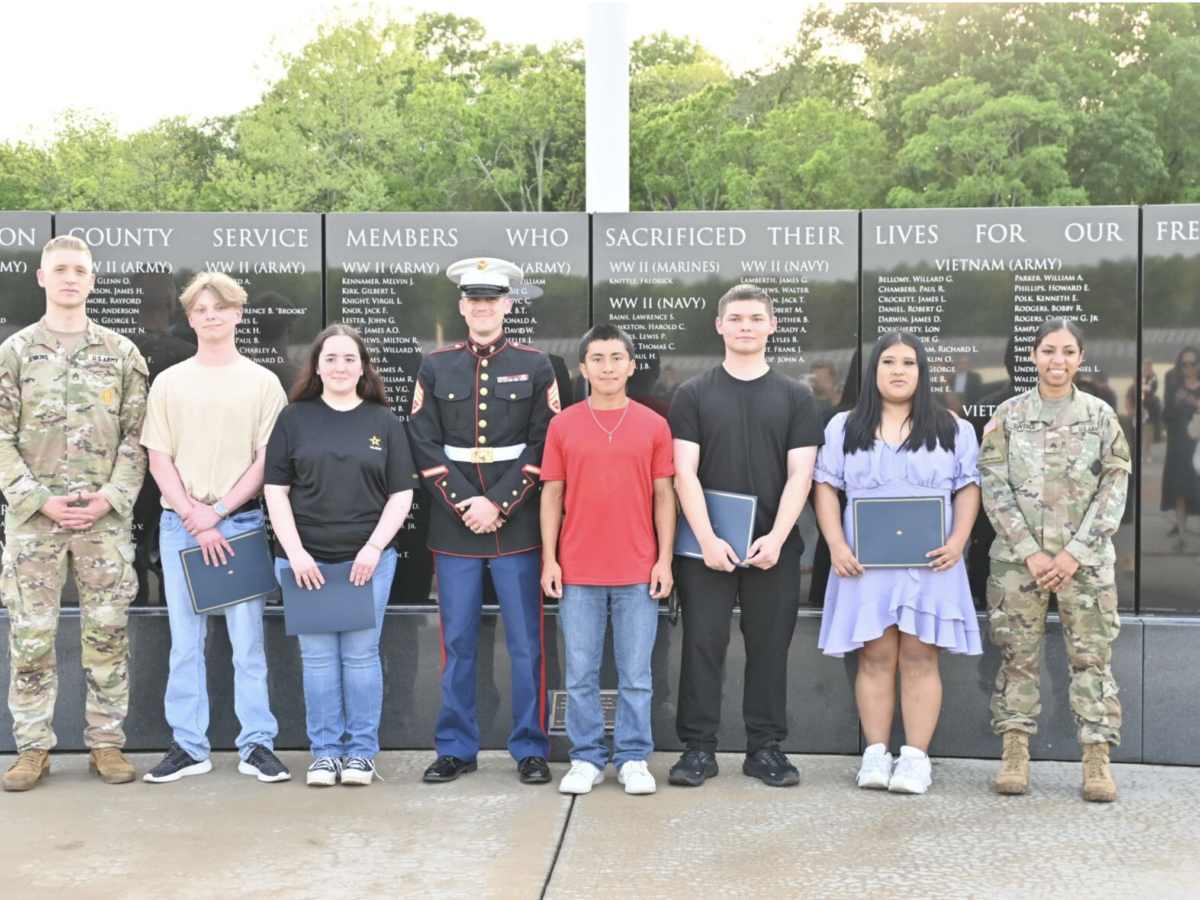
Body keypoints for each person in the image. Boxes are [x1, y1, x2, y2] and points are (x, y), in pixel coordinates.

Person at [0, 236, 148, 791]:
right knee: (31, 636)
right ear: (42, 277)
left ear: (92, 279)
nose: (69, 278)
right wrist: (39, 499)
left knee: (108, 634)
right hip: (34, 523)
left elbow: (140, 436)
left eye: (79, 270)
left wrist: (112, 497)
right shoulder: (14, 352)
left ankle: (106, 744)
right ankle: (33, 748)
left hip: (102, 521)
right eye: (59, 269)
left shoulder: (121, 353)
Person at [408, 257, 559, 785]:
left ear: (508, 306)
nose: (482, 307)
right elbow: (423, 440)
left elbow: (546, 440)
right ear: (461, 307)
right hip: (455, 526)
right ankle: (455, 746)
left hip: (516, 525)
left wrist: (499, 501)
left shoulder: (538, 365)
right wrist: (465, 502)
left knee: (526, 644)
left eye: (492, 299)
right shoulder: (436, 365)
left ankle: (531, 747)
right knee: (458, 645)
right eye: (473, 299)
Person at [668, 284, 823, 788]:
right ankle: (697, 748)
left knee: (769, 648)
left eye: (756, 318)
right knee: (702, 645)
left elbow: (802, 473)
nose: (746, 327)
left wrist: (778, 537)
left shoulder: (797, 396)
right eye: (736, 318)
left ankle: (766, 748)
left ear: (771, 326)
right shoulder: (692, 394)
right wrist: (708, 539)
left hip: (773, 548)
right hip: (704, 549)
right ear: (720, 326)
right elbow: (683, 473)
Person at [814, 332, 982, 795]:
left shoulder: (952, 426)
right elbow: (825, 486)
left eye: (909, 362)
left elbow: (970, 486)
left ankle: (915, 760)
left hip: (932, 563)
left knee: (920, 656)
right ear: (873, 371)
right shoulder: (842, 426)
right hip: (865, 564)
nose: (899, 370)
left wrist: (958, 541)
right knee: (874, 655)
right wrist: (835, 544)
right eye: (888, 361)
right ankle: (875, 753)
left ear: (922, 372)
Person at [141, 271, 291, 784]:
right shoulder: (169, 381)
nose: (210, 315)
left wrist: (219, 512)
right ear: (190, 317)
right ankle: (189, 746)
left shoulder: (262, 382)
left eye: (220, 307)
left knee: (247, 642)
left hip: (241, 523)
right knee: (185, 642)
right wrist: (194, 516)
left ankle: (256, 744)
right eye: (201, 309)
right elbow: (158, 458)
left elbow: (267, 460)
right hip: (180, 526)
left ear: (237, 314)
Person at [978, 318, 1130, 802]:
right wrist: (1032, 552)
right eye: (1048, 351)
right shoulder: (1009, 415)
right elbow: (993, 487)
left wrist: (1072, 554)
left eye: (1067, 352)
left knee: (1092, 661)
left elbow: (1114, 488)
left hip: (1084, 566)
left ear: (1079, 358)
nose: (1057, 361)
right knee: (1017, 660)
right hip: (1019, 564)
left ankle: (1096, 760)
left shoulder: (1102, 416)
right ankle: (1015, 753)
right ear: (1033, 356)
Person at [263, 324, 415, 786]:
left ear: (363, 367)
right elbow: (275, 490)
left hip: (367, 561)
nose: (340, 367)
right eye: (331, 358)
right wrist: (296, 553)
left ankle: (361, 755)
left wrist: (373, 548)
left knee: (360, 655)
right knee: (318, 658)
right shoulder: (294, 419)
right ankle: (326, 753)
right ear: (317, 365)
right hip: (304, 561)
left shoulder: (383, 422)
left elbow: (401, 494)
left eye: (350, 358)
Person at [540, 324, 676, 796]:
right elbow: (552, 495)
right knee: (580, 672)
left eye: (617, 358)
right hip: (578, 570)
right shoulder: (563, 425)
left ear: (631, 366)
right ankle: (586, 757)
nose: (608, 367)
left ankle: (634, 756)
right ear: (583, 368)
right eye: (597, 359)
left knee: (637, 674)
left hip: (638, 569)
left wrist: (664, 561)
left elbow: (664, 496)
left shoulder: (655, 425)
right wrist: (550, 560)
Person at [1160, 347, 1200, 552]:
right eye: (1185, 364)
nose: (1189, 368)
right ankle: (1182, 535)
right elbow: (1165, 417)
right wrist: (1175, 402)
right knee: (1180, 491)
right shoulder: (1174, 387)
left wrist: (1193, 402)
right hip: (1178, 444)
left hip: (1198, 446)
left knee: (1196, 487)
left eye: (1193, 363)